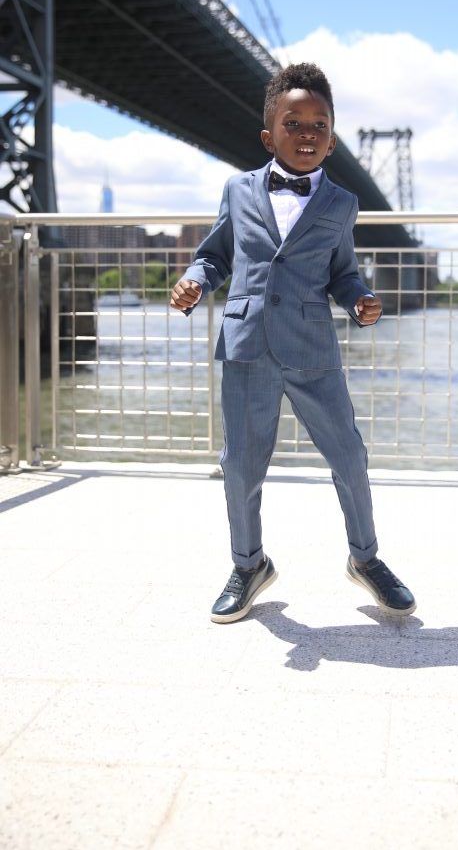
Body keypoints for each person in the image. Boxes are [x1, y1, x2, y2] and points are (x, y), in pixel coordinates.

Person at [170, 62, 415, 623]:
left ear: (331, 140)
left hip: (312, 348)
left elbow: (343, 273)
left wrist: (359, 300)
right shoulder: (237, 190)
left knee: (349, 455)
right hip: (246, 344)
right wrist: (194, 280)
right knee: (241, 465)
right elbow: (215, 255)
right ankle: (248, 564)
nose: (307, 134)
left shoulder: (343, 203)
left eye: (319, 125)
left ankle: (366, 559)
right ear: (268, 135)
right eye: (293, 122)